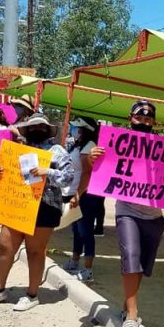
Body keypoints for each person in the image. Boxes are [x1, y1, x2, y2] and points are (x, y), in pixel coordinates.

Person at [91, 100, 164, 327]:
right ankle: (132, 315)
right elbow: (100, 169)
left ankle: (127, 304)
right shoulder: (117, 144)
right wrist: (92, 158)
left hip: (155, 216)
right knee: (130, 257)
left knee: (140, 267)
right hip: (127, 210)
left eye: (148, 119)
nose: (144, 122)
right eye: (139, 118)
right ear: (130, 119)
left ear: (154, 122)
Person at [0, 112, 74, 311]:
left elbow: (68, 177)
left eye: (41, 127)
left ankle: (32, 294)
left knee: (35, 251)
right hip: (16, 204)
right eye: (32, 127)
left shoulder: (58, 151)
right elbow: (6, 172)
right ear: (26, 130)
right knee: (5, 246)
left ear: (47, 130)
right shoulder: (16, 150)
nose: (37, 130)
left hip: (45, 207)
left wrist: (49, 172)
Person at [62, 116, 105, 282]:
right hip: (76, 192)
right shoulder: (80, 145)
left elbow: (88, 174)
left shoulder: (90, 147)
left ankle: (88, 269)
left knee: (85, 231)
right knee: (77, 230)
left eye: (79, 128)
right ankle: (74, 261)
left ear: (86, 130)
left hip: (85, 195)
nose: (76, 130)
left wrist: (78, 194)